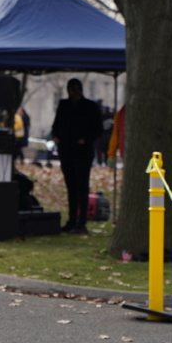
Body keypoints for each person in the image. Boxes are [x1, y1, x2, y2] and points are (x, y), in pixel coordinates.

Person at [51, 78, 103, 234]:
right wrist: (56, 136)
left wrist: (85, 139)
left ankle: (82, 222)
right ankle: (72, 220)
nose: (76, 92)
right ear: (68, 90)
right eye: (73, 89)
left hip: (82, 152)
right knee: (71, 187)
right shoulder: (64, 105)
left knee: (82, 187)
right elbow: (56, 125)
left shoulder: (90, 106)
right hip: (66, 150)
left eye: (78, 88)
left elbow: (98, 129)